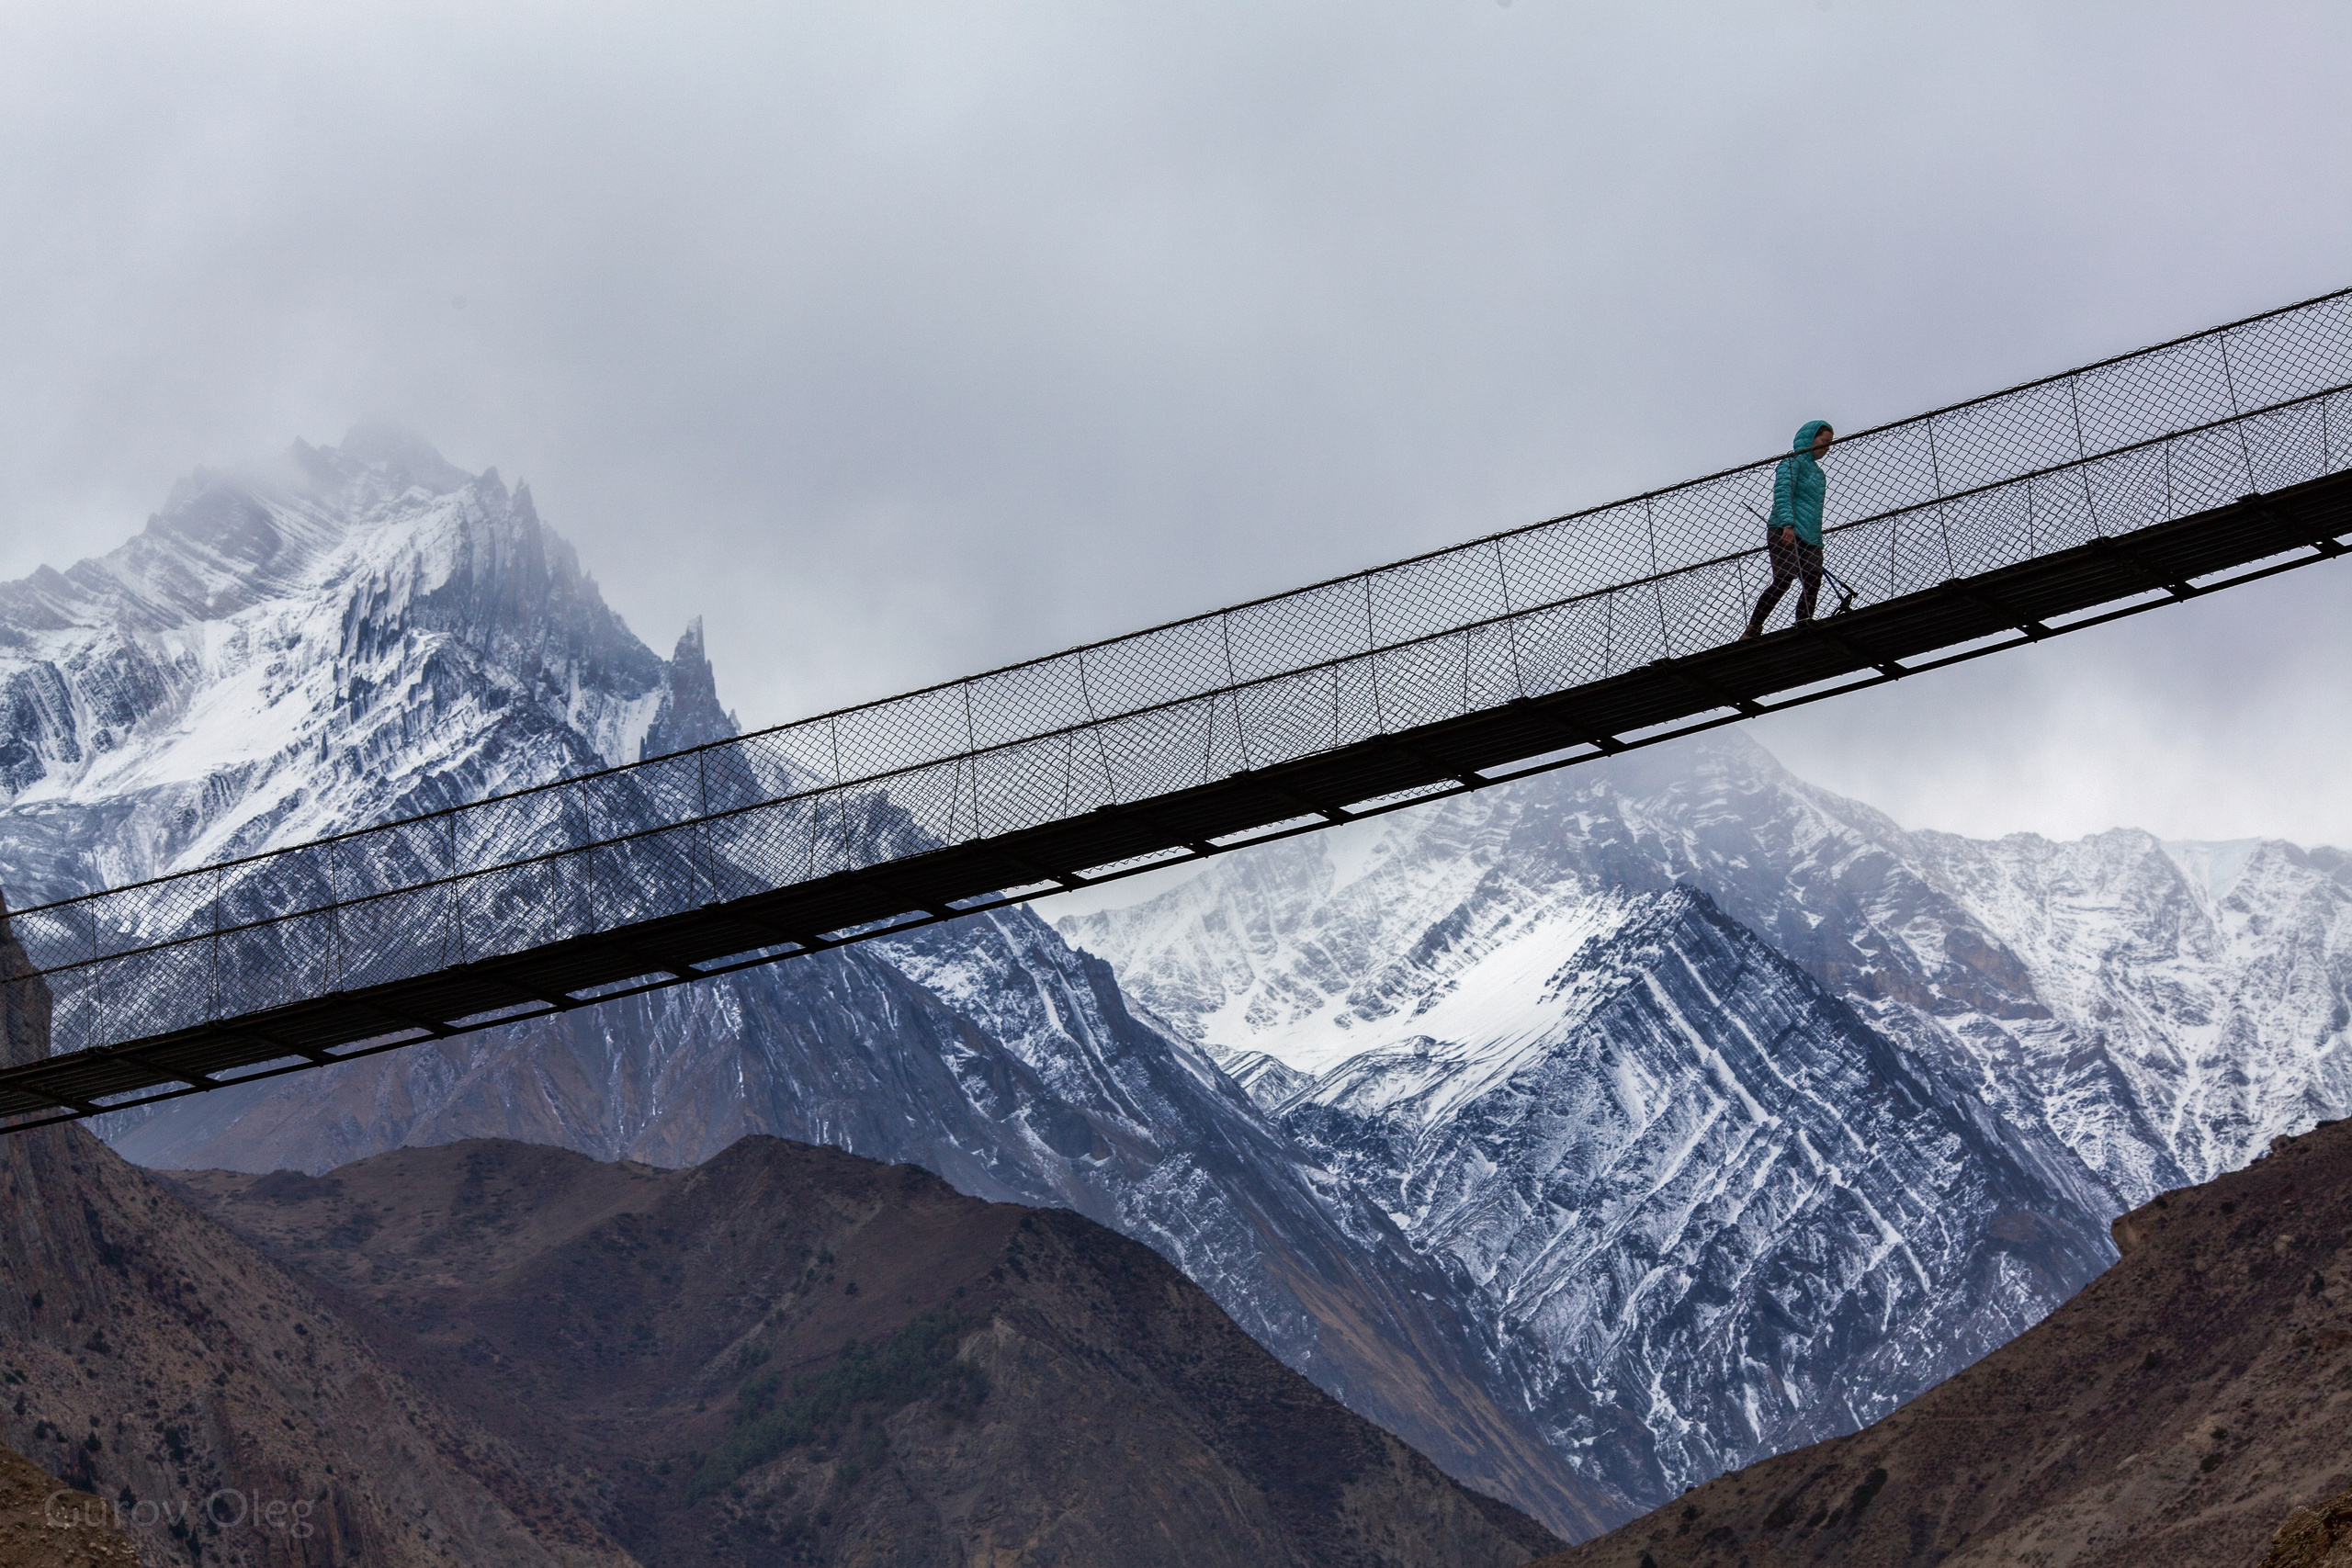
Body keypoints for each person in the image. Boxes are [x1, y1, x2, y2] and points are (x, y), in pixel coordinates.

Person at [1743, 420, 1833, 639]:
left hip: (1810, 536)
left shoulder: (1818, 474)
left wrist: (1817, 539)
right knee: (1784, 579)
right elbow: (1783, 493)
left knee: (1813, 579)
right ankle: (1754, 628)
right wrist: (1787, 524)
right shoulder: (1792, 463)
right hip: (1785, 529)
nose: (1826, 448)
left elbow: (1815, 510)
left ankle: (1803, 622)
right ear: (1810, 438)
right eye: (1823, 442)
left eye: (1829, 444)